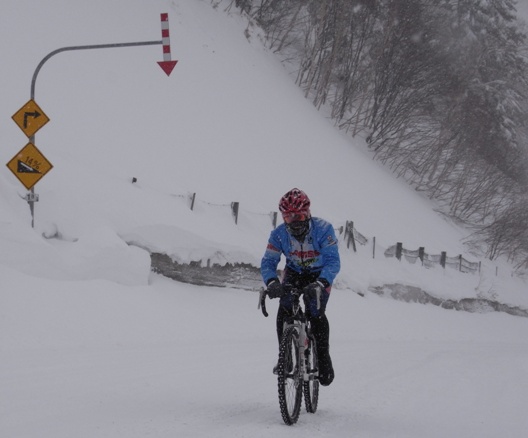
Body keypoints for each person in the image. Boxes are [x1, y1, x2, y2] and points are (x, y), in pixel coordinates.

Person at [261, 188, 340, 386]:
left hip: (319, 274)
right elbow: (268, 262)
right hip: (294, 272)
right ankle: (285, 357)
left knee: (315, 312)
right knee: (285, 306)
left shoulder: (324, 229)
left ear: (308, 213)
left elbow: (333, 262)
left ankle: (323, 358)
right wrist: (271, 282)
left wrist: (322, 283)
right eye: (288, 217)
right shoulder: (278, 234)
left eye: (298, 216)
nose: (294, 222)